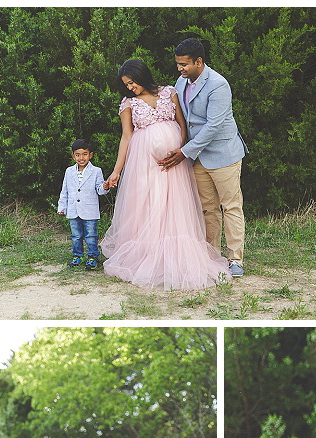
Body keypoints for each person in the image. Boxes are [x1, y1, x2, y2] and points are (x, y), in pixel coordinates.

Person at [101, 58, 229, 290]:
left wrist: (179, 151)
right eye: (126, 85)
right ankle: (150, 255)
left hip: (174, 162)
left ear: (142, 76)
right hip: (145, 164)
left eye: (132, 82)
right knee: (152, 205)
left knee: (175, 206)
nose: (130, 87)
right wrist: (116, 171)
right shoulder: (128, 103)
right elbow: (126, 137)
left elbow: (181, 124)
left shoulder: (168, 92)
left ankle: (176, 257)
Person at [162, 37, 247, 278]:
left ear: (198, 62)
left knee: (230, 206)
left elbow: (213, 126)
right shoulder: (180, 83)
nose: (179, 69)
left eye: (184, 64)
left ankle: (235, 259)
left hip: (223, 155)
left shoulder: (218, 84)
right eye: (178, 64)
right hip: (197, 158)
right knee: (207, 209)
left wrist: (184, 152)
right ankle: (212, 257)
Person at [56, 136, 111, 270]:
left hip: (89, 210)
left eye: (85, 154)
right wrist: (62, 206)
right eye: (78, 155)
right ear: (73, 156)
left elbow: (99, 190)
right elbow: (65, 191)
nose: (81, 158)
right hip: (73, 210)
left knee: (91, 235)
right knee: (75, 235)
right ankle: (77, 255)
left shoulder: (96, 171)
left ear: (90, 155)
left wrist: (105, 187)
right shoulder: (69, 171)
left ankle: (92, 257)